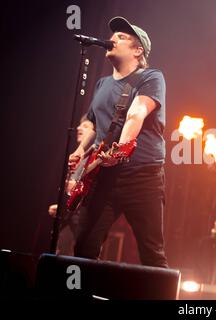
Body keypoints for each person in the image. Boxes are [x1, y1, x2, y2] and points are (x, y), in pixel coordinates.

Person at [68, 16, 168, 268]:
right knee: (84, 248)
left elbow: (136, 113)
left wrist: (120, 149)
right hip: (104, 179)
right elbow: (92, 123)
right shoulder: (102, 84)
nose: (113, 38)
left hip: (142, 177)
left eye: (122, 37)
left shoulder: (151, 77)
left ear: (138, 50)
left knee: (151, 254)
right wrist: (80, 150)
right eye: (114, 35)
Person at [48, 114, 94, 255]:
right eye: (80, 125)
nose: (79, 128)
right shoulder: (78, 157)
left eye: (85, 126)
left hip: (83, 222)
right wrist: (62, 208)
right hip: (68, 222)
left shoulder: (94, 154)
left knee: (80, 260)